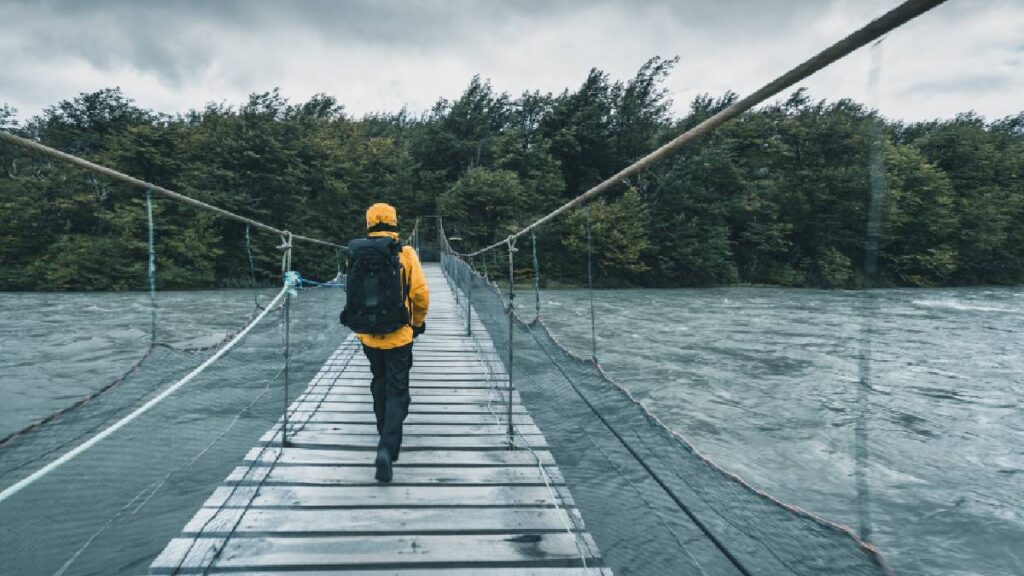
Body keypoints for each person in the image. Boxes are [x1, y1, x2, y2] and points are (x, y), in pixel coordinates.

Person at [341, 203, 428, 483]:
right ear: (394, 221)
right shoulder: (406, 253)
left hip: (367, 334)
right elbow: (420, 294)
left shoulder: (356, 253)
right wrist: (417, 323)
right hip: (399, 333)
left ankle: (383, 434)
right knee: (398, 390)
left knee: (379, 381)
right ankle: (387, 449)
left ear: (368, 222)